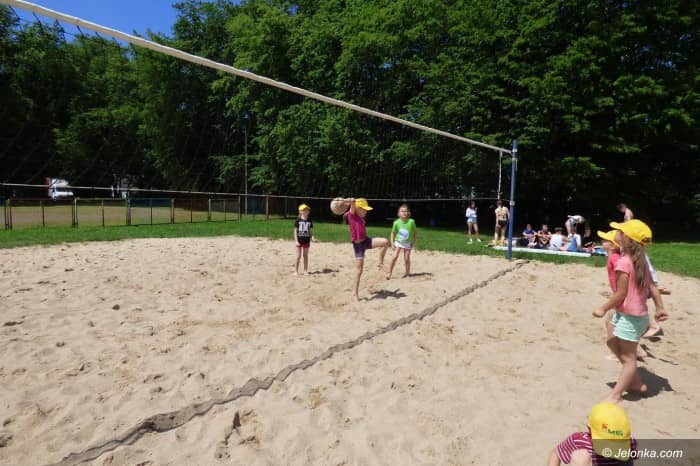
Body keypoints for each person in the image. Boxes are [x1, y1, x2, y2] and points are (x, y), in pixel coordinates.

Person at [592, 220, 668, 403]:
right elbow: (653, 288)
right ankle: (634, 383)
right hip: (631, 315)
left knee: (628, 358)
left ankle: (616, 395)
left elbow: (621, 294)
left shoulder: (625, 262)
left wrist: (603, 308)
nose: (616, 233)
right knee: (611, 342)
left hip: (631, 317)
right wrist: (659, 307)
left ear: (625, 238)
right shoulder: (639, 261)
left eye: (619, 231)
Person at [547, 402, 637, 466]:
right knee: (580, 456)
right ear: (590, 430)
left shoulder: (629, 443)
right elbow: (556, 454)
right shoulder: (579, 440)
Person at [342, 198, 389, 300]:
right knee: (359, 270)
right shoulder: (352, 216)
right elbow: (352, 204)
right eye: (364, 209)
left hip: (366, 241)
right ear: (357, 208)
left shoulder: (361, 217)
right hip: (358, 246)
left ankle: (380, 263)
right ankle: (355, 293)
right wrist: (350, 201)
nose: (366, 211)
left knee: (385, 242)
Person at [388, 204, 417, 279]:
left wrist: (413, 242)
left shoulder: (411, 222)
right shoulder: (396, 222)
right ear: (398, 213)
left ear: (408, 213)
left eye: (406, 211)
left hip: (408, 243)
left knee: (406, 258)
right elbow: (392, 233)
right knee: (394, 257)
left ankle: (407, 273)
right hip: (398, 242)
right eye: (402, 211)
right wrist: (392, 243)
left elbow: (415, 233)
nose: (404, 212)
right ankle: (389, 273)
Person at [294, 204, 318, 275]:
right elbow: (295, 231)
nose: (306, 211)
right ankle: (296, 271)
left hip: (306, 240)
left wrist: (312, 237)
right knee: (298, 256)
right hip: (299, 240)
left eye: (307, 210)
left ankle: (305, 271)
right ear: (300, 211)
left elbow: (310, 231)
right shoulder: (298, 220)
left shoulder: (309, 220)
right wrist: (296, 241)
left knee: (305, 256)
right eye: (304, 210)